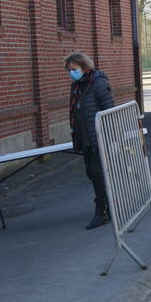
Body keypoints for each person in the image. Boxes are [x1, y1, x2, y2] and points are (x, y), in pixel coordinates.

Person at [65, 52, 115, 229]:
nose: (71, 73)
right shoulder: (77, 86)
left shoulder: (98, 82)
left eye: (74, 69)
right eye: (69, 70)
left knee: (97, 172)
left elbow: (109, 108)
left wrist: (108, 135)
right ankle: (107, 206)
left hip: (98, 136)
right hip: (84, 137)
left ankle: (102, 209)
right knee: (92, 173)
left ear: (84, 67)